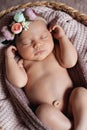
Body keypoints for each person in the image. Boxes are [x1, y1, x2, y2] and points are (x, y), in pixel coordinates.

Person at [2, 9, 87, 130]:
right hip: (51, 116)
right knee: (41, 112)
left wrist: (62, 38)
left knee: (81, 92)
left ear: (51, 35)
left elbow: (71, 62)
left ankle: (82, 126)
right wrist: (9, 59)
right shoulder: (22, 63)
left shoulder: (56, 50)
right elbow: (18, 82)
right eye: (26, 43)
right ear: (17, 48)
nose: (37, 45)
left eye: (43, 37)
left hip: (72, 105)